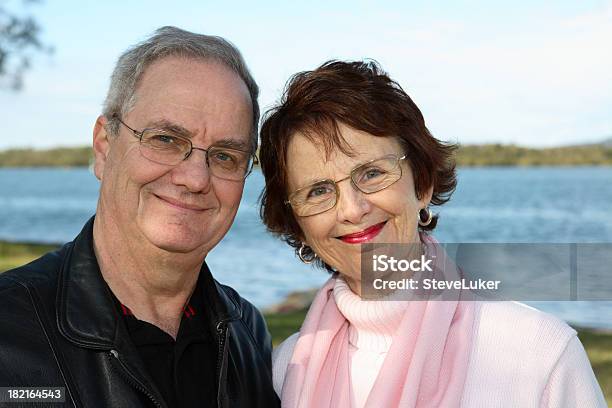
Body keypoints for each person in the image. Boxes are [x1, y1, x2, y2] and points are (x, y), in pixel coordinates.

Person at [258, 60, 606, 407]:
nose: (351, 209)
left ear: (422, 184)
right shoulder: (285, 371)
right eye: (318, 191)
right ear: (297, 224)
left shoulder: (539, 354)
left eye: (372, 173)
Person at [0, 26, 278, 408]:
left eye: (226, 156)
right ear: (104, 145)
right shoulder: (9, 329)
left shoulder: (247, 333)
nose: (195, 178)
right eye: (166, 140)